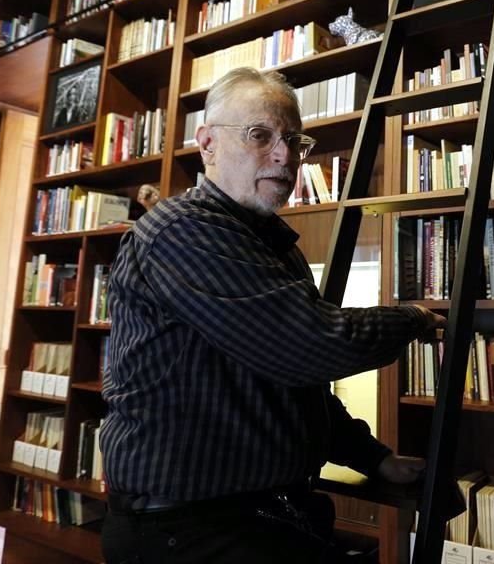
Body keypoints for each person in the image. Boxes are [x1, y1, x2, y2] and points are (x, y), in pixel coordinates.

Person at [100, 67, 447, 563]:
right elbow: (309, 347)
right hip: (187, 530)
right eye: (259, 136)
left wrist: (375, 459)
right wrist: (411, 318)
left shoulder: (272, 245)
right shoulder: (182, 230)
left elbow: (293, 388)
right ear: (208, 145)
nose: (284, 157)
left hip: (259, 515)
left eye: (294, 141)